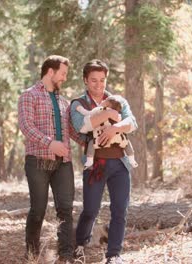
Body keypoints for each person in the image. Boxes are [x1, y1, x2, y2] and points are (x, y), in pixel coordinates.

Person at [70, 59, 137, 264]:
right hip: (95, 164)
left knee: (120, 209)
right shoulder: (78, 104)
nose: (99, 85)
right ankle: (79, 245)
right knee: (90, 209)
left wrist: (114, 128)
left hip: (120, 163)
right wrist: (108, 113)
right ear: (85, 81)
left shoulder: (118, 100)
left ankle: (114, 254)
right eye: (93, 81)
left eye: (102, 80)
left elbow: (131, 123)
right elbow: (82, 125)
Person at [18, 55, 84, 263]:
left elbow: (72, 131)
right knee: (38, 209)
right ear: (50, 72)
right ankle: (32, 254)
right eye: (62, 73)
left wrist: (92, 142)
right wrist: (50, 143)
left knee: (65, 208)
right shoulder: (29, 96)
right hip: (38, 161)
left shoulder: (64, 102)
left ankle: (65, 255)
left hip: (63, 164)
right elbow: (26, 127)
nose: (64, 78)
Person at [75, 95, 138, 170]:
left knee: (92, 143)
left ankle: (89, 161)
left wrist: (80, 109)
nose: (102, 101)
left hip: (101, 137)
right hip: (117, 137)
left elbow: (88, 113)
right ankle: (132, 159)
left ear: (107, 105)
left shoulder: (100, 109)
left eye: (104, 101)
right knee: (126, 142)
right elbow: (125, 121)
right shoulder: (118, 114)